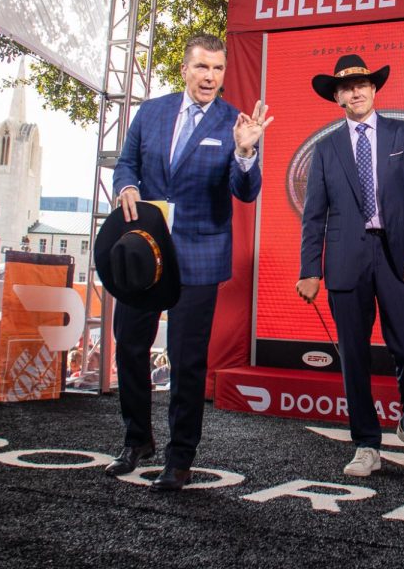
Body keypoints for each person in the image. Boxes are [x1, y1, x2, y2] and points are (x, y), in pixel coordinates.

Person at [106, 33, 271, 492]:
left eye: (218, 69)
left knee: (187, 360)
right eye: (202, 67)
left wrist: (244, 151)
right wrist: (127, 188)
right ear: (184, 69)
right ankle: (137, 439)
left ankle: (180, 458)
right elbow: (126, 163)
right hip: (145, 251)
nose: (211, 77)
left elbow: (246, 192)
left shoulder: (233, 122)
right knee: (130, 347)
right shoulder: (151, 112)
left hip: (199, 255)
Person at [296, 54, 404, 477]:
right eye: (346, 87)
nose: (355, 91)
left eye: (362, 84)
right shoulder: (325, 150)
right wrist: (311, 269)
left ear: (374, 89)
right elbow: (314, 215)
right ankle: (365, 443)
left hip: (400, 258)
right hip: (345, 261)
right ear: (337, 97)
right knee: (354, 355)